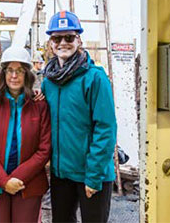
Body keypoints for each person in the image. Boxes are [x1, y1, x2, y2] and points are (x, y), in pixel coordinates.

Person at [41, 11, 117, 223]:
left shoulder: (95, 78)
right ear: (50, 43)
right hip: (62, 173)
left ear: (79, 40)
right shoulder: (49, 81)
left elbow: (106, 128)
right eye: (57, 38)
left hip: (91, 173)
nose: (63, 43)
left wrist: (93, 176)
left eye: (69, 37)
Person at [0, 46, 51, 223]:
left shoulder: (39, 106)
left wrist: (17, 177)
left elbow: (44, 149)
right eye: (10, 70)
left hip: (28, 183)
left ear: (27, 74)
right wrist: (4, 181)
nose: (14, 76)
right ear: (3, 74)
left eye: (19, 71)